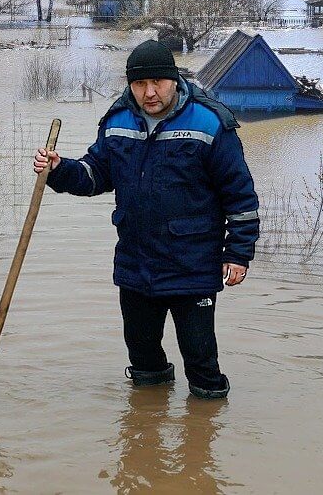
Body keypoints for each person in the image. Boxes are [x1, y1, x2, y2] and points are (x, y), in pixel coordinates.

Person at [33, 40, 259, 399]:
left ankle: (204, 433)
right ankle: (145, 430)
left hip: (193, 265)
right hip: (135, 263)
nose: (149, 93)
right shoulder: (117, 120)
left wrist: (238, 254)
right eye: (140, 84)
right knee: (142, 359)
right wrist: (60, 170)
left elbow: (241, 196)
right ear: (130, 84)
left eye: (158, 83)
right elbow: (95, 175)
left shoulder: (211, 123)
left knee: (201, 363)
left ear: (174, 79)